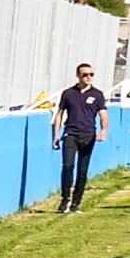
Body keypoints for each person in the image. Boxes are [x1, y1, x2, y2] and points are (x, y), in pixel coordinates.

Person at [55, 62, 108, 213]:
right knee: (68, 166)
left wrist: (104, 130)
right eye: (85, 75)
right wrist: (56, 135)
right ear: (78, 75)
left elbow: (103, 115)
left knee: (82, 171)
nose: (88, 77)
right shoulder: (68, 93)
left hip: (88, 135)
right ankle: (65, 198)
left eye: (91, 74)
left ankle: (76, 202)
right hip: (70, 133)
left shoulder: (97, 94)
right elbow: (59, 114)